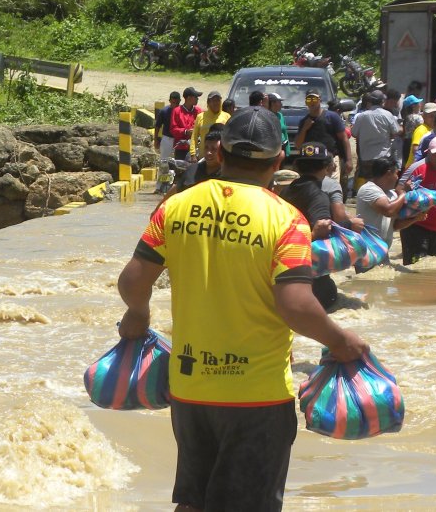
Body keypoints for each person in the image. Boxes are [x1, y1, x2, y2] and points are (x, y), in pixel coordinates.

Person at [115, 106, 369, 511]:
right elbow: (296, 305)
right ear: (279, 160)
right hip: (257, 395)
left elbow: (132, 281)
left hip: (190, 387)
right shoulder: (286, 220)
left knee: (192, 501)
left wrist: (138, 316)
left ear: (220, 152)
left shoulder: (177, 206)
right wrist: (341, 341)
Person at [281, 142, 346, 310]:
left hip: (282, 271)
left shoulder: (285, 192)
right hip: (309, 279)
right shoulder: (319, 197)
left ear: (297, 166)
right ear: (326, 167)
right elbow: (323, 232)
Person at [355, 157, 422, 251]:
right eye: (396, 173)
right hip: (367, 250)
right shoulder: (368, 189)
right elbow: (388, 210)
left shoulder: (392, 194)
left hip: (383, 250)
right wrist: (403, 193)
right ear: (388, 173)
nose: (397, 177)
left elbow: (395, 225)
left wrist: (415, 218)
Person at [294, 90, 352, 182]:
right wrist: (305, 128)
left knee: (332, 188)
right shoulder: (304, 121)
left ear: (319, 100)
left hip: (330, 161)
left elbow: (344, 138)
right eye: (309, 100)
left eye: (314, 99)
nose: (312, 102)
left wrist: (349, 160)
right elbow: (298, 145)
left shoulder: (332, 117)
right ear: (306, 102)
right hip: (311, 163)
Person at [352, 91, 399, 183]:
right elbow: (395, 132)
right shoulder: (387, 114)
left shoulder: (362, 116)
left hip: (366, 157)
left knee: (368, 183)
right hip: (383, 156)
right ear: (382, 102)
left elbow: (354, 133)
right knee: (382, 183)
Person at [172, 125, 224, 195]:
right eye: (206, 148)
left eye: (214, 149)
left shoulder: (229, 175)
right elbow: (172, 194)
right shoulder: (192, 171)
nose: (208, 152)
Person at [192, 90, 229, 160]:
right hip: (204, 157)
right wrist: (193, 154)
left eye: (218, 100)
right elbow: (194, 137)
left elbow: (230, 137)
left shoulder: (227, 116)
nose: (216, 103)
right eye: (214, 100)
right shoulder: (200, 117)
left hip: (221, 157)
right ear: (208, 102)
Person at [170, 87, 203, 162]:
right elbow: (173, 129)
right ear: (189, 98)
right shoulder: (177, 111)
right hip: (181, 148)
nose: (197, 99)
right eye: (196, 97)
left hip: (196, 148)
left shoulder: (199, 111)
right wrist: (186, 131)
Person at [406, 102, 436, 169]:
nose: (433, 118)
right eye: (430, 116)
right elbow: (415, 149)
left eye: (435, 116)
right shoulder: (421, 130)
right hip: (414, 167)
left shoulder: (434, 129)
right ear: (423, 116)